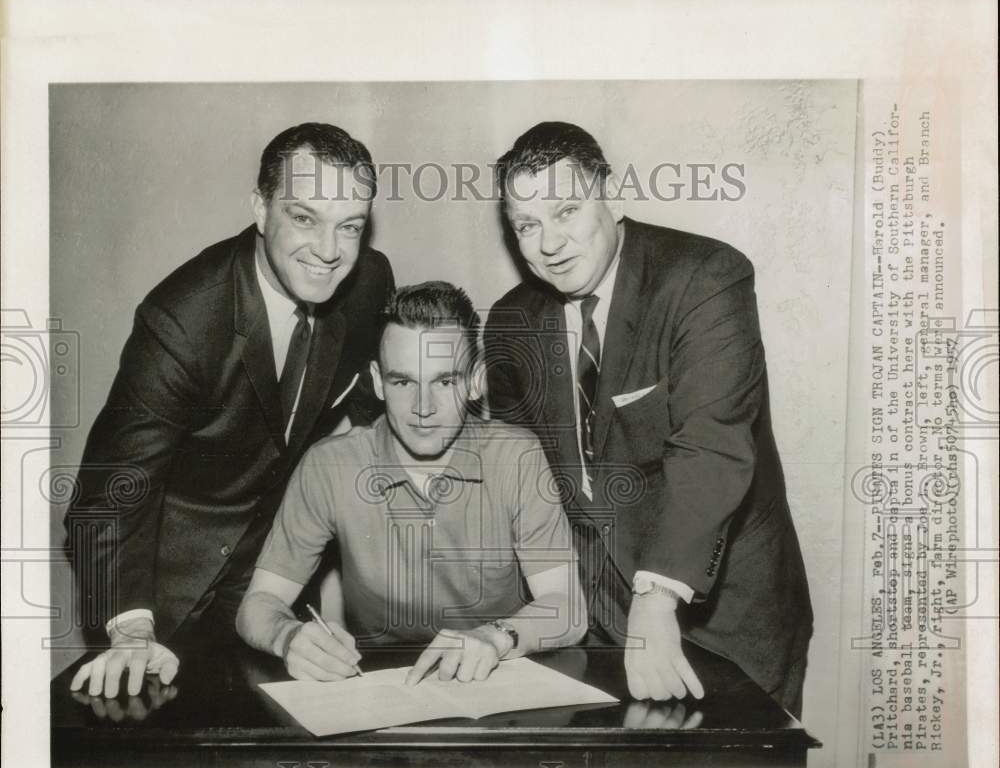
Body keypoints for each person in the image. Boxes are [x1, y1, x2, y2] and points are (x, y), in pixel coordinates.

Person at [484, 121, 813, 716]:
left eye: (566, 210)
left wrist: (657, 596)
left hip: (730, 616)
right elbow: (524, 480)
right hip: (602, 618)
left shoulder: (705, 278)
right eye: (527, 225)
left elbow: (710, 449)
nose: (548, 243)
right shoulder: (510, 323)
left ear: (607, 191)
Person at [66, 122, 395, 698]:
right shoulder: (184, 320)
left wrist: (328, 465)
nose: (328, 250)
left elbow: (366, 389)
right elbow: (110, 494)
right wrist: (130, 631)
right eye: (303, 217)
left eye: (350, 226)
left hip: (278, 580)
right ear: (261, 208)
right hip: (160, 597)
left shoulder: (368, 281)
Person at [237, 281, 586, 684]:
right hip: (377, 686)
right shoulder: (329, 465)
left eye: (444, 381)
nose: (423, 408)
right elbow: (257, 604)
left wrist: (496, 637)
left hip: (495, 679)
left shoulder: (516, 456)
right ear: (378, 381)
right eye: (403, 382)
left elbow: (569, 610)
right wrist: (289, 636)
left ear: (475, 381)